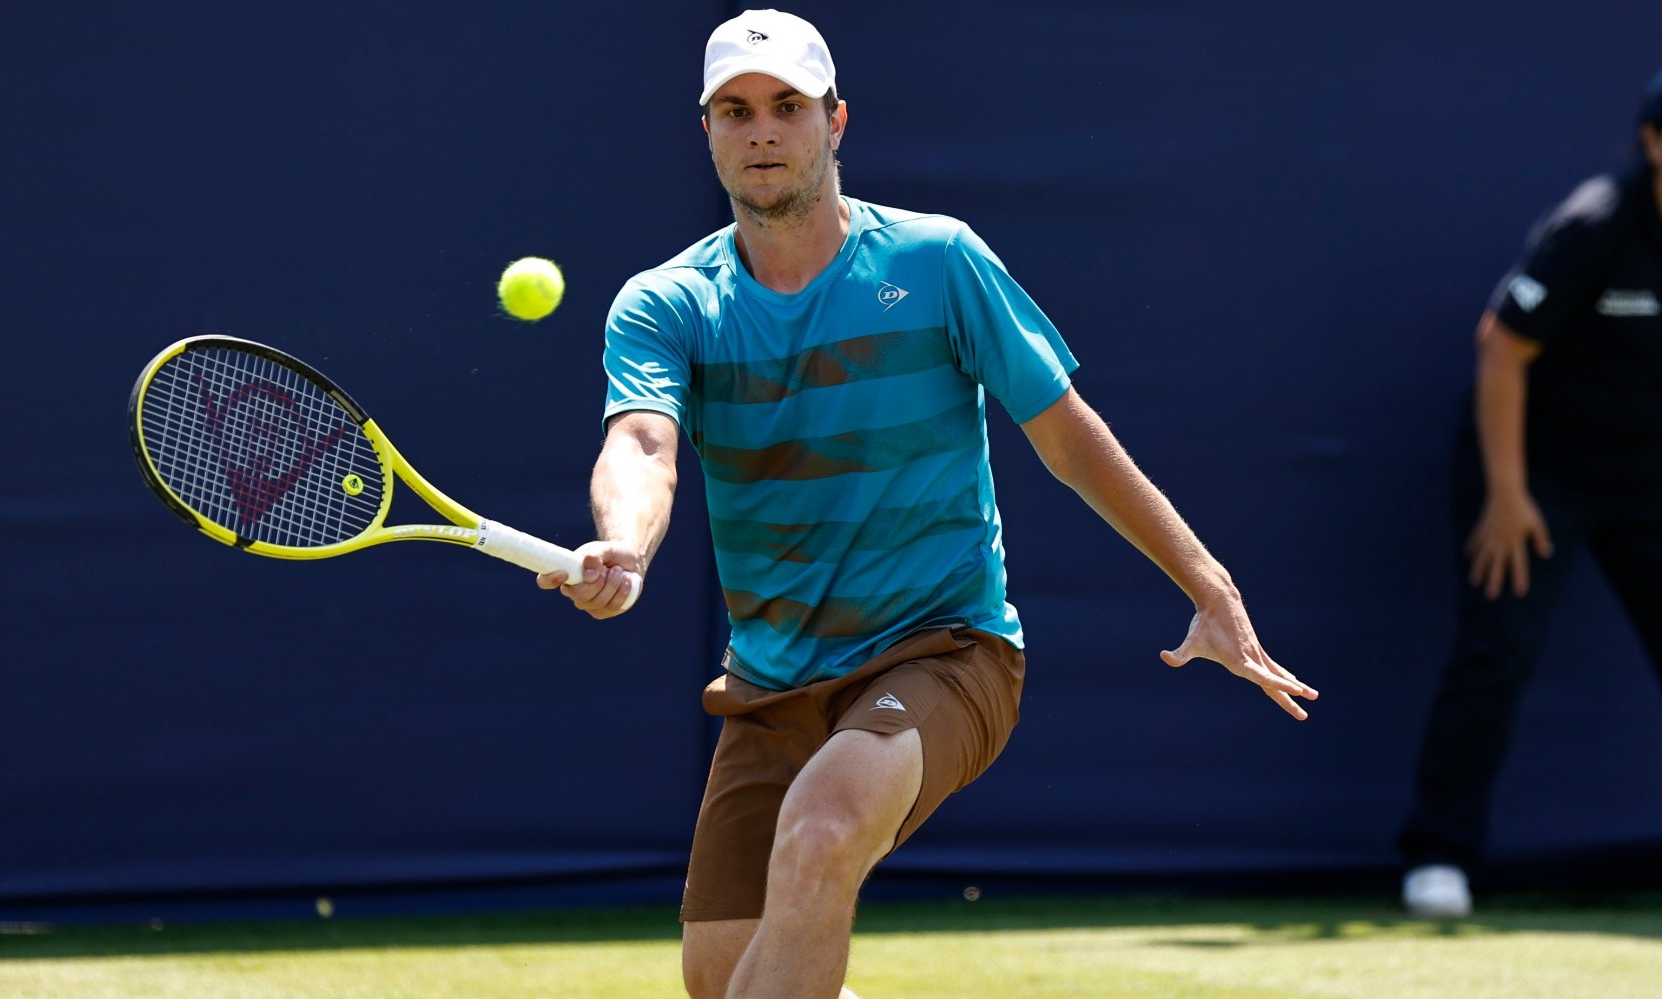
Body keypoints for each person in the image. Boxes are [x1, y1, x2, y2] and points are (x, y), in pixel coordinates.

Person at [539, 10, 1319, 998]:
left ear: (836, 122)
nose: (763, 131)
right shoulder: (664, 303)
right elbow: (642, 444)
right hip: (769, 681)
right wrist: (625, 543)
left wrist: (1206, 583)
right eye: (736, 111)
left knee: (820, 836)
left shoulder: (939, 262)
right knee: (724, 975)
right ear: (707, 132)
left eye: (788, 107)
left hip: (945, 650)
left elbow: (1068, 438)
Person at [1397, 70, 1662, 920]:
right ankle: (1439, 855)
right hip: (1534, 471)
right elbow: (1502, 349)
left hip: (1646, 473)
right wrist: (1508, 496)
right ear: (1654, 144)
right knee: (1497, 652)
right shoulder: (1594, 223)